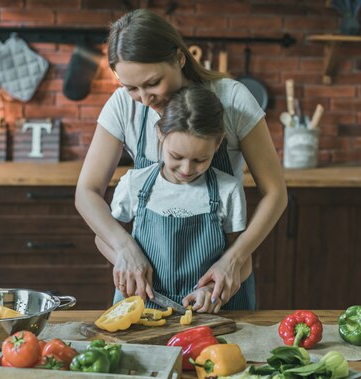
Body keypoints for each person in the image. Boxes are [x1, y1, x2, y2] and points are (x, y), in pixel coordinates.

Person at [75, 9, 287, 309]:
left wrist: (233, 261)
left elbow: (275, 193)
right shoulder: (123, 106)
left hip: (215, 288)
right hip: (145, 292)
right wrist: (124, 249)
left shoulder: (233, 99)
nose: (144, 98)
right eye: (131, 87)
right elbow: (87, 192)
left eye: (152, 83)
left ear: (179, 58)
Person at [108, 85, 253, 312]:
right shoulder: (134, 184)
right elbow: (103, 237)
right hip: (141, 309)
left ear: (218, 143)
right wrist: (123, 257)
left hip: (205, 314)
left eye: (200, 160)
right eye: (176, 156)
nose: (186, 169)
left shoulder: (228, 190)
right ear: (160, 134)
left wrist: (212, 290)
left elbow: (242, 260)